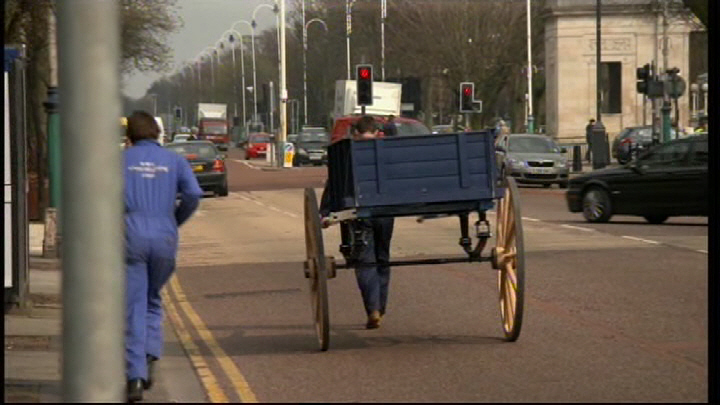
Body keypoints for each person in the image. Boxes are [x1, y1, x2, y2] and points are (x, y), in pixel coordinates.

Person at [123, 111, 203, 402]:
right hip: (164, 236)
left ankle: (135, 375)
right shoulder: (174, 161)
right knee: (153, 298)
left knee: (134, 304)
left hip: (131, 236)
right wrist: (174, 220)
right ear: (157, 133)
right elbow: (193, 195)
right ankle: (150, 354)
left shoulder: (120, 161)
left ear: (129, 137)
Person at [319, 115, 395, 329]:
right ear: (377, 132)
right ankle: (380, 307)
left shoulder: (347, 153)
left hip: (359, 213)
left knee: (364, 261)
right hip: (385, 212)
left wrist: (325, 212)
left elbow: (334, 185)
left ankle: (373, 309)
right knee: (383, 258)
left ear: (355, 133)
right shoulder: (387, 151)